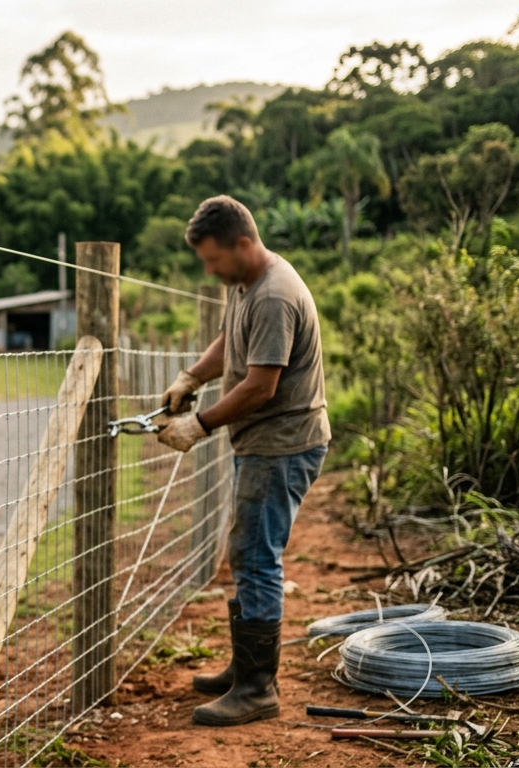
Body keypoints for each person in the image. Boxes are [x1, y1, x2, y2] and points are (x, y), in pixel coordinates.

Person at [155, 195, 330, 727]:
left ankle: (258, 688)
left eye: (213, 259)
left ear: (243, 243)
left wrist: (199, 424)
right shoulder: (247, 284)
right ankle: (246, 668)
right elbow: (231, 340)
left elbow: (260, 385)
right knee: (248, 550)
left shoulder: (275, 295)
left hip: (282, 444)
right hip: (263, 443)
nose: (209, 271)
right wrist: (192, 376)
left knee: (255, 556)